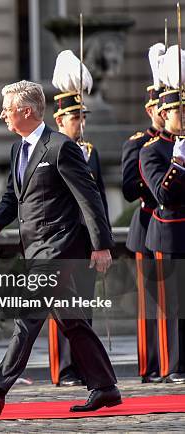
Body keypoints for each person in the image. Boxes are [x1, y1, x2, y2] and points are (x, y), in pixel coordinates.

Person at [0, 80, 121, 415]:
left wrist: (101, 245)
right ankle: (106, 387)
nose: (2, 115)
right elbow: (12, 197)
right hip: (35, 249)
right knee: (73, 322)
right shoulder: (17, 149)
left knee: (28, 317)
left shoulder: (60, 147)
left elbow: (89, 198)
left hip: (60, 247)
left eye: (6, 109)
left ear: (26, 111)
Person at [48, 51, 110, 387]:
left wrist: (101, 240)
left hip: (85, 239)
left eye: (82, 117)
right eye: (75, 118)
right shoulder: (53, 149)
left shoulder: (90, 151)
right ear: (60, 120)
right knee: (62, 310)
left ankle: (86, 367)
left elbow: (97, 197)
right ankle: (66, 369)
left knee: (84, 308)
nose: (80, 123)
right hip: (62, 237)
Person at [139, 49, 185, 384]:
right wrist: (178, 164)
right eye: (176, 110)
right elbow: (162, 194)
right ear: (163, 114)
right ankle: (173, 367)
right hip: (168, 234)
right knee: (173, 308)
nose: (182, 115)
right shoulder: (151, 150)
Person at [121, 43, 165, 384]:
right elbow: (129, 187)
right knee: (151, 304)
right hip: (149, 219)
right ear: (150, 108)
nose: (162, 114)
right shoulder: (138, 143)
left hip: (172, 223)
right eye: (158, 108)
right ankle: (150, 362)